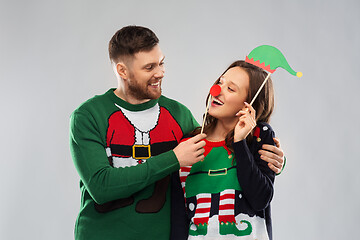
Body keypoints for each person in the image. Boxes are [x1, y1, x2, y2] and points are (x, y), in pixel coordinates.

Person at [69, 25, 284, 240]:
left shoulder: (178, 116)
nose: (160, 73)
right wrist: (173, 158)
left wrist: (272, 159)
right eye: (149, 67)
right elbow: (101, 187)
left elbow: (218, 143)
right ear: (122, 71)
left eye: (161, 63)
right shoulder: (88, 116)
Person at [179, 60, 278, 239]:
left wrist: (239, 142)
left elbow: (260, 199)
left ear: (248, 105)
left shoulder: (259, 136)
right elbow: (179, 214)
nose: (216, 90)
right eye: (220, 82)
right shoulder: (189, 143)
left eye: (231, 89)